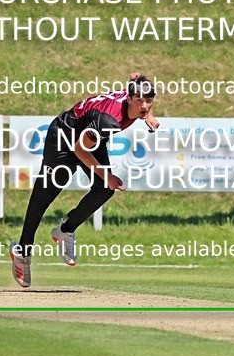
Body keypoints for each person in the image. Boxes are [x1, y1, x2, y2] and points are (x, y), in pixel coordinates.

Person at [10, 73, 159, 288]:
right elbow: (79, 150)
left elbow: (136, 79)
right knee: (45, 195)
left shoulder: (137, 97)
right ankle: (22, 252)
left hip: (89, 136)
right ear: (129, 98)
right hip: (64, 137)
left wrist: (149, 116)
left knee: (104, 190)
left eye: (149, 101)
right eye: (139, 101)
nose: (144, 106)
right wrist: (108, 175)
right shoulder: (110, 121)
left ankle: (65, 230)